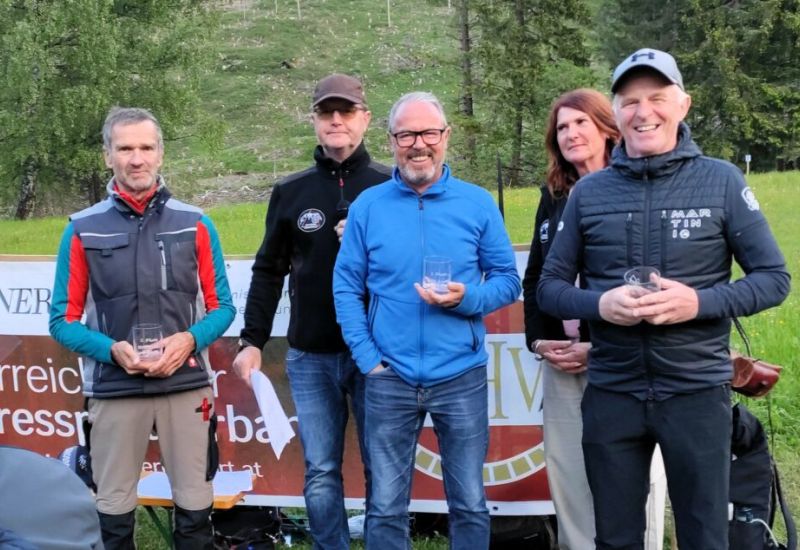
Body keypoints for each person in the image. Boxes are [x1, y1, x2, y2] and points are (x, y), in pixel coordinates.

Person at [537, 49, 790, 549]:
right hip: (613, 392)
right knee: (615, 538)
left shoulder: (720, 180)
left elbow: (774, 278)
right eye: (630, 101)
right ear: (616, 112)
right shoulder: (590, 193)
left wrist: (699, 303)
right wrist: (600, 305)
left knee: (704, 536)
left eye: (657, 97)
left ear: (683, 105)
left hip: (695, 392)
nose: (643, 112)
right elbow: (550, 288)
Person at [333, 91, 521, 550]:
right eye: (407, 135)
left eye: (429, 133)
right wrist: (368, 358)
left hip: (460, 374)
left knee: (469, 502)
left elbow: (507, 280)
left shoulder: (476, 203)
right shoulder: (368, 206)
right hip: (389, 376)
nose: (419, 144)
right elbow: (346, 286)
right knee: (385, 506)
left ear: (446, 137)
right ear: (391, 141)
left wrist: (466, 298)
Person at [49, 107, 236, 549]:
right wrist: (111, 350)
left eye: (146, 147)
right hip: (114, 387)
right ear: (107, 156)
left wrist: (189, 339)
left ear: (160, 153)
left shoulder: (196, 223)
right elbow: (62, 321)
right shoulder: (81, 229)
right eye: (125, 148)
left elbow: (223, 308)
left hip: (185, 384)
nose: (137, 159)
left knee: (195, 512)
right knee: (113, 514)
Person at [232, 73, 390, 549]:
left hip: (379, 354)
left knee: (382, 466)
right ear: (314, 120)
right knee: (321, 470)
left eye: (346, 111)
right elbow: (268, 270)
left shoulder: (390, 185)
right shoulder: (291, 191)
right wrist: (252, 341)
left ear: (365, 118)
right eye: (326, 112)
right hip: (311, 355)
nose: (336, 120)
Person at [523, 89, 667, 549]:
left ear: (607, 128)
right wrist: (538, 341)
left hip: (625, 360)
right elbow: (537, 278)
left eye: (580, 123)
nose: (570, 134)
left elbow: (650, 284)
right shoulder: (554, 197)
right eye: (562, 127)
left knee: (631, 478)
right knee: (568, 474)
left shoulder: (636, 190)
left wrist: (598, 345)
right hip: (563, 361)